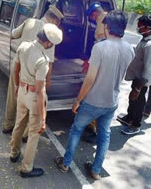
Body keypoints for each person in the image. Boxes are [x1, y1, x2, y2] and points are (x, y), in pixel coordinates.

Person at [54, 11, 134, 180]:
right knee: (104, 136)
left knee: (76, 130)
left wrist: (77, 100)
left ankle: (65, 163)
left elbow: (90, 79)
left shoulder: (100, 48)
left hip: (92, 101)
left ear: (106, 26)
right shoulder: (129, 49)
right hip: (111, 101)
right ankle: (96, 170)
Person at [2, 6, 64, 141]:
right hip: (35, 73)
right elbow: (50, 62)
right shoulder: (50, 33)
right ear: (54, 20)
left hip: (18, 65)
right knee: (33, 104)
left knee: (13, 96)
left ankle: (7, 125)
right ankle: (24, 135)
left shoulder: (29, 21)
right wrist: (47, 81)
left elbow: (13, 34)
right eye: (58, 23)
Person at [10, 24, 63, 178]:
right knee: (34, 133)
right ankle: (26, 168)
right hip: (34, 96)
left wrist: (17, 86)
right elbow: (40, 90)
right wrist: (44, 118)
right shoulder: (43, 60)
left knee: (19, 123)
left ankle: (14, 153)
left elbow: (15, 69)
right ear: (48, 43)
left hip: (22, 91)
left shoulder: (24, 46)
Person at [117, 14, 151, 135]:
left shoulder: (149, 45)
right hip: (136, 77)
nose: (138, 28)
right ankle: (129, 117)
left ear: (148, 27)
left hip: (141, 80)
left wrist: (138, 88)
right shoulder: (145, 39)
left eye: (140, 26)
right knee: (132, 100)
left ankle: (135, 125)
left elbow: (148, 69)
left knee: (139, 101)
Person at [82, 3, 108, 144]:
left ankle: (96, 131)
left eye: (92, 16)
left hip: (101, 64)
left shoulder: (103, 20)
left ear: (94, 14)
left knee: (95, 94)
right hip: (103, 62)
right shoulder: (108, 18)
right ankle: (92, 126)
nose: (92, 19)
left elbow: (99, 41)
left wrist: (91, 62)